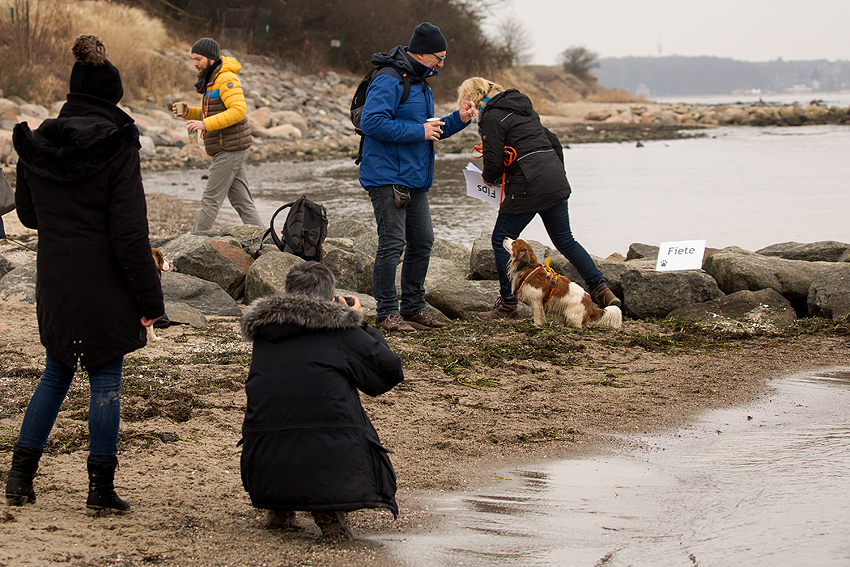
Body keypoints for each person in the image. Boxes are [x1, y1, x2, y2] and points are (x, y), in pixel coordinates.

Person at [7, 34, 165, 514]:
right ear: (113, 98)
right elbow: (129, 235)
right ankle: (99, 489)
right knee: (106, 381)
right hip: (105, 282)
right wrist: (151, 302)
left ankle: (19, 479)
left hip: (55, 279)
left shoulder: (37, 145)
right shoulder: (119, 147)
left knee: (55, 373)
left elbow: (29, 216)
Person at [239, 261, 404, 538]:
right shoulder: (338, 329)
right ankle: (326, 510)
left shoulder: (265, 331)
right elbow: (387, 372)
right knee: (331, 406)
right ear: (330, 296)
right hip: (329, 467)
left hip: (264, 467)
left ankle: (280, 507)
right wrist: (358, 323)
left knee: (288, 404)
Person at [456, 77, 622, 320]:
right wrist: (555, 173)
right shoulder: (523, 107)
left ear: (472, 98)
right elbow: (554, 141)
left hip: (527, 186)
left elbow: (493, 163)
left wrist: (490, 178)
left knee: (500, 241)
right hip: (553, 179)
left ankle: (507, 305)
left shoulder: (491, 117)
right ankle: (602, 290)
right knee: (566, 240)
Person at [358, 22, 477, 331]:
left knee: (423, 241)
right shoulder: (389, 79)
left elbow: (430, 130)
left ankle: (412, 308)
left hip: (414, 178)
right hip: (386, 176)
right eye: (439, 57)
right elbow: (372, 123)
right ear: (422, 53)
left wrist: (459, 119)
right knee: (392, 244)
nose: (442, 63)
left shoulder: (422, 83)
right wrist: (419, 130)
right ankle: (386, 313)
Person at [172, 37, 263, 232]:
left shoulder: (226, 79)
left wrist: (205, 124)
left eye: (198, 59)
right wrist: (190, 113)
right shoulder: (212, 80)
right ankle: (268, 242)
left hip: (228, 148)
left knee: (210, 200)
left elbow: (238, 111)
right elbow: (213, 113)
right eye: (193, 59)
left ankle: (192, 243)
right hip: (230, 147)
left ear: (211, 59)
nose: (195, 63)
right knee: (242, 203)